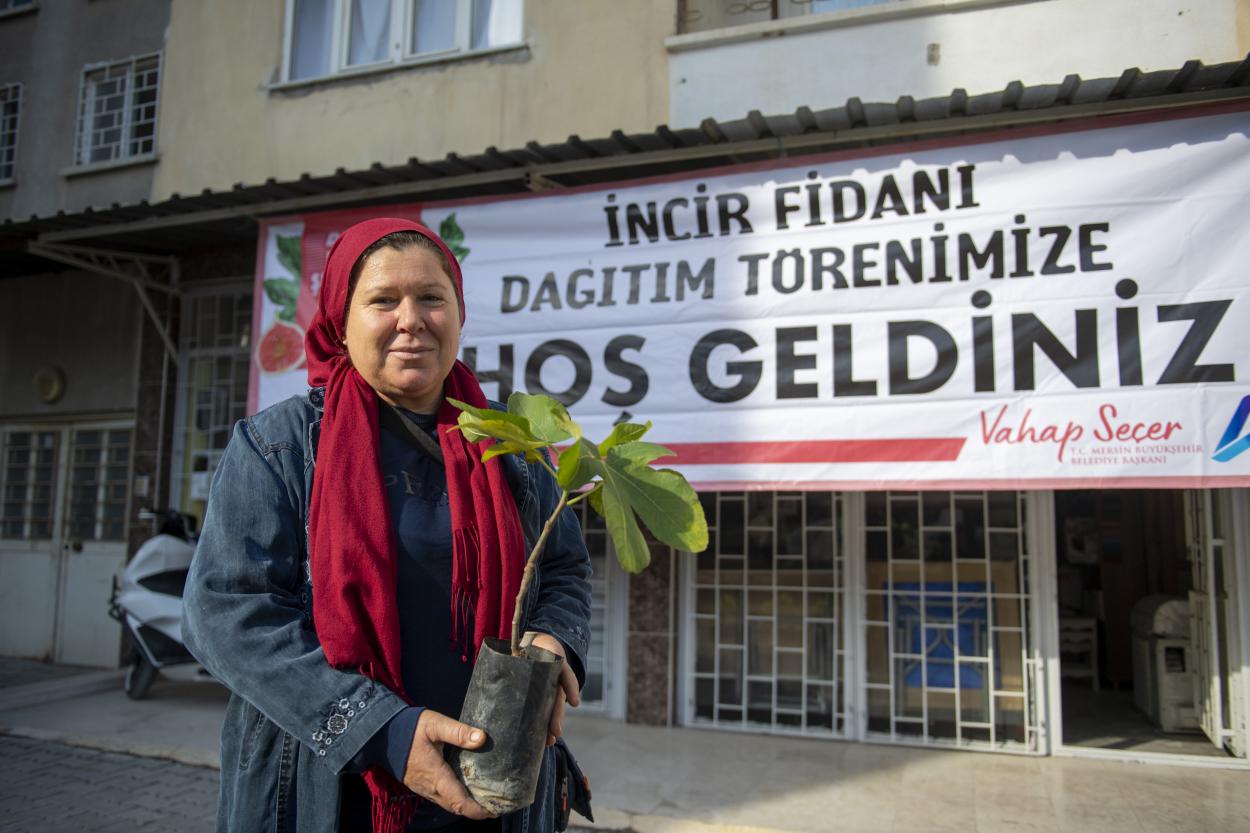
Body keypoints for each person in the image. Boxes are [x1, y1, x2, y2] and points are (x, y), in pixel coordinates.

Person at [183, 218, 593, 833]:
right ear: (340, 325)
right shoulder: (280, 447)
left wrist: (551, 637)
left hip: (495, 786)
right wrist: (385, 729)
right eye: (382, 300)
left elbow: (561, 566)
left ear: (458, 314)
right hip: (329, 794)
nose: (411, 319)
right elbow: (225, 612)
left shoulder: (510, 444)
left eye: (432, 297)